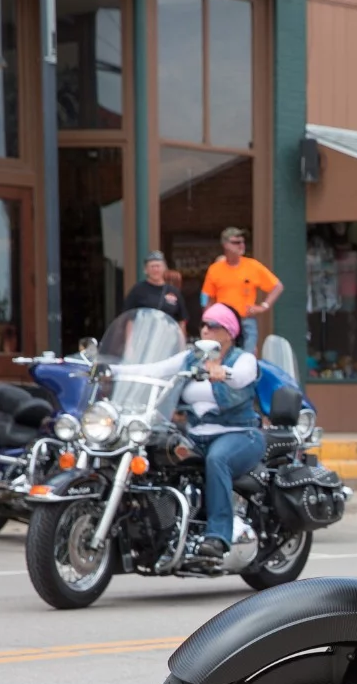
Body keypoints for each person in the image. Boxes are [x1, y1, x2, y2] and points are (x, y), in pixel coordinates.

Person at [109, 304, 264, 558]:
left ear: (229, 332)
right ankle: (158, 529)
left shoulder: (242, 359)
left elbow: (242, 377)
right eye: (203, 324)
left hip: (239, 434)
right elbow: (154, 369)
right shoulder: (191, 358)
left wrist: (223, 372)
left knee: (218, 459)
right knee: (156, 453)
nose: (205, 330)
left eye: (212, 325)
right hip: (196, 435)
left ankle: (218, 537)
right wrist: (109, 369)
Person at [201, 227, 282, 353]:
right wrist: (206, 323)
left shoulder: (252, 265)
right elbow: (210, 299)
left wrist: (264, 306)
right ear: (226, 245)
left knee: (247, 356)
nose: (241, 245)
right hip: (223, 322)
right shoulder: (215, 269)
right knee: (222, 355)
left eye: (243, 242)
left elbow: (277, 286)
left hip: (246, 320)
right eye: (236, 242)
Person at [120, 251, 187, 328]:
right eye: (152, 266)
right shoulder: (138, 290)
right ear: (145, 270)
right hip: (144, 333)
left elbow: (182, 320)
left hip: (168, 334)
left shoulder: (174, 291)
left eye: (158, 266)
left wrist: (181, 335)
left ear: (165, 268)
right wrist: (130, 336)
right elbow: (129, 318)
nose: (155, 270)